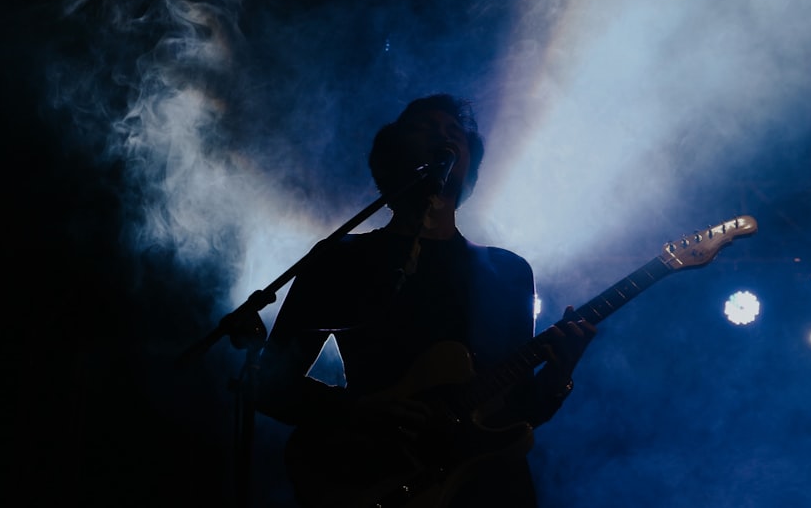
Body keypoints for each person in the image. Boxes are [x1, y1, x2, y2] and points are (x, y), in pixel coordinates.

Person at [255, 93, 596, 507]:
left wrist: (559, 376)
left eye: (456, 134)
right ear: (391, 156)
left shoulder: (507, 272)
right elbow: (269, 384)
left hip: (487, 489)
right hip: (371, 476)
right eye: (425, 129)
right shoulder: (339, 259)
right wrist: (357, 411)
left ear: (469, 167)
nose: (444, 137)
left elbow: (516, 411)